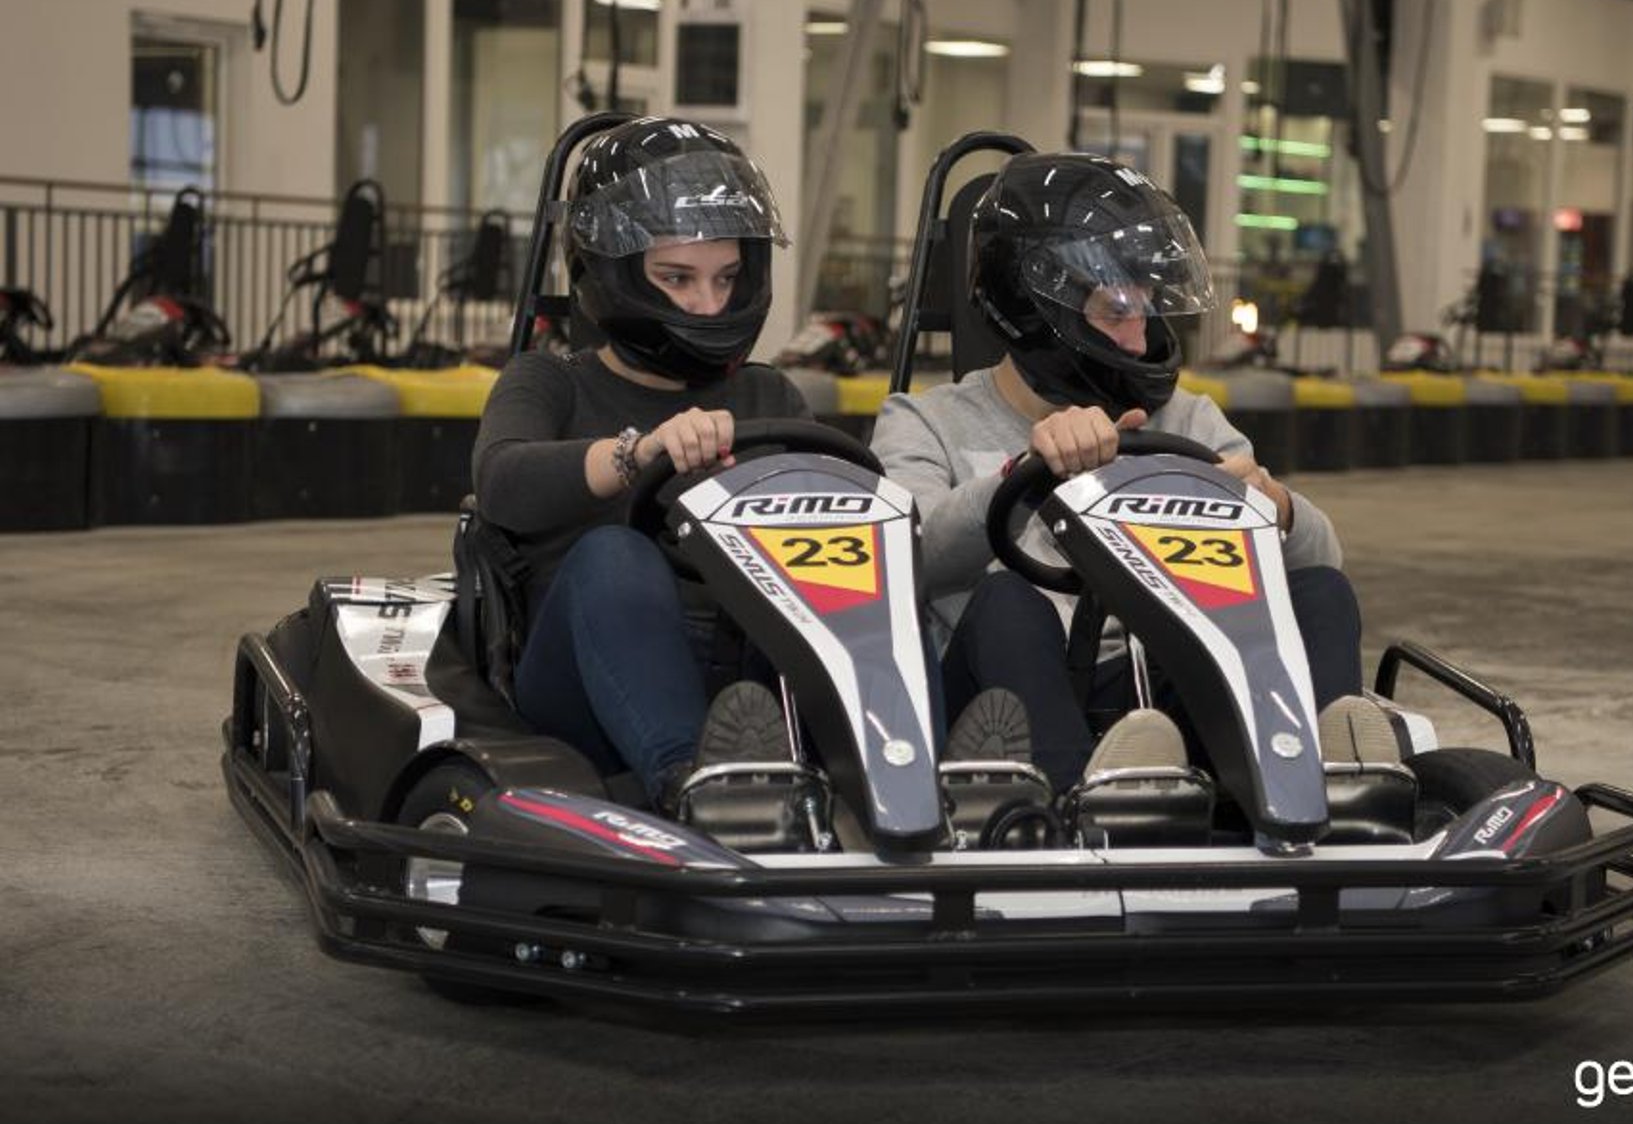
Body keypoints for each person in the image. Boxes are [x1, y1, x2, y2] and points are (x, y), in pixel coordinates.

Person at [871, 151, 1395, 798]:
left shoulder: (1187, 419)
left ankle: (1325, 788)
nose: (1141, 340)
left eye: (1146, 308)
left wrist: (1277, 507)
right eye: (1115, 310)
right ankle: (1080, 802)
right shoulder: (925, 421)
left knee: (1318, 590)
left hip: (1160, 693)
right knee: (1008, 602)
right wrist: (1028, 472)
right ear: (1036, 311)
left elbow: (1325, 560)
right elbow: (902, 563)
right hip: (1001, 698)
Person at [470, 117, 807, 812]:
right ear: (613, 273)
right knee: (615, 554)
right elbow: (501, 484)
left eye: (726, 279)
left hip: (741, 668)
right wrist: (639, 453)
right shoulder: (549, 382)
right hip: (581, 679)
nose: (707, 305)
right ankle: (697, 787)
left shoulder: (769, 395)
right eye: (677, 278)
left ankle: (910, 776)